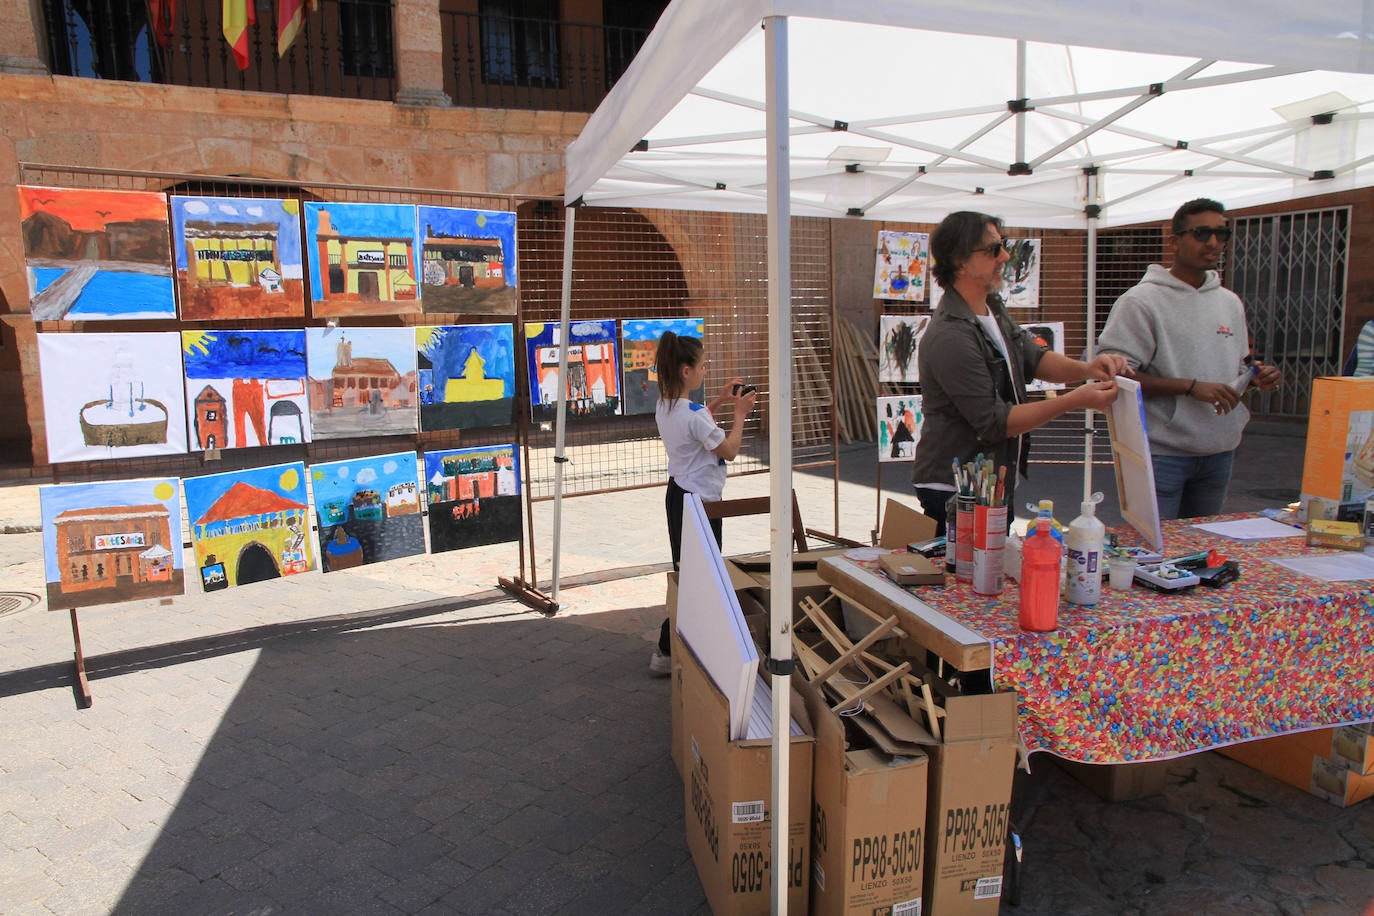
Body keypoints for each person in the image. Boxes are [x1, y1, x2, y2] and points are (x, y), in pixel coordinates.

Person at [911, 211, 1130, 534]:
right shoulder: (950, 336)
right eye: (993, 249)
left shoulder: (991, 307)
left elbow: (1034, 358)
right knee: (969, 580)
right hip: (957, 490)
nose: (1005, 256)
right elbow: (995, 421)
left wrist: (1087, 369)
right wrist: (1074, 400)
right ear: (960, 261)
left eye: (1004, 245)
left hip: (992, 481)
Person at [1097, 198, 1282, 519]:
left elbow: (1237, 369)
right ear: (1175, 241)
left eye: (1222, 234)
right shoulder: (1140, 302)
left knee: (1200, 553)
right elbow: (1115, 377)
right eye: (1202, 233)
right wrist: (1190, 387)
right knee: (1153, 556)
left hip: (1220, 451)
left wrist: (1254, 378)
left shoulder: (1229, 302)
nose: (1213, 242)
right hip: (1162, 453)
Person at [649, 332, 757, 675]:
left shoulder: (666, 406)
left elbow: (696, 421)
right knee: (704, 578)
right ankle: (674, 650)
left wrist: (721, 402)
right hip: (699, 503)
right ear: (685, 371)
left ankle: (672, 650)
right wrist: (740, 415)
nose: (705, 369)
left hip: (678, 495)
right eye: (702, 364)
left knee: (690, 573)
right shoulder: (694, 416)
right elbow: (728, 450)